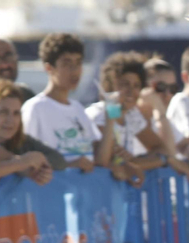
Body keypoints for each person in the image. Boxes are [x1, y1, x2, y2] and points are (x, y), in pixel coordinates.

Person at [86, 52, 189, 181]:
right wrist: (111, 115)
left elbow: (162, 150)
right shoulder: (96, 115)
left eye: (136, 86)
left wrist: (144, 161)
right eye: (124, 84)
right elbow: (104, 162)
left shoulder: (131, 114)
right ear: (111, 85)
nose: (131, 91)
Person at [22, 33, 120, 177]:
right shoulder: (35, 108)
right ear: (49, 68)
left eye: (78, 63)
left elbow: (101, 161)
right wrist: (68, 166)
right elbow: (27, 160)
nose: (75, 71)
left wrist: (111, 117)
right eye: (67, 64)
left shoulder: (78, 109)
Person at [0, 79, 69, 170]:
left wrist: (34, 162)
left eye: (16, 113)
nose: (10, 120)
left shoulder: (23, 141)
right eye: (3, 112)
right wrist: (21, 164)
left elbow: (59, 161)